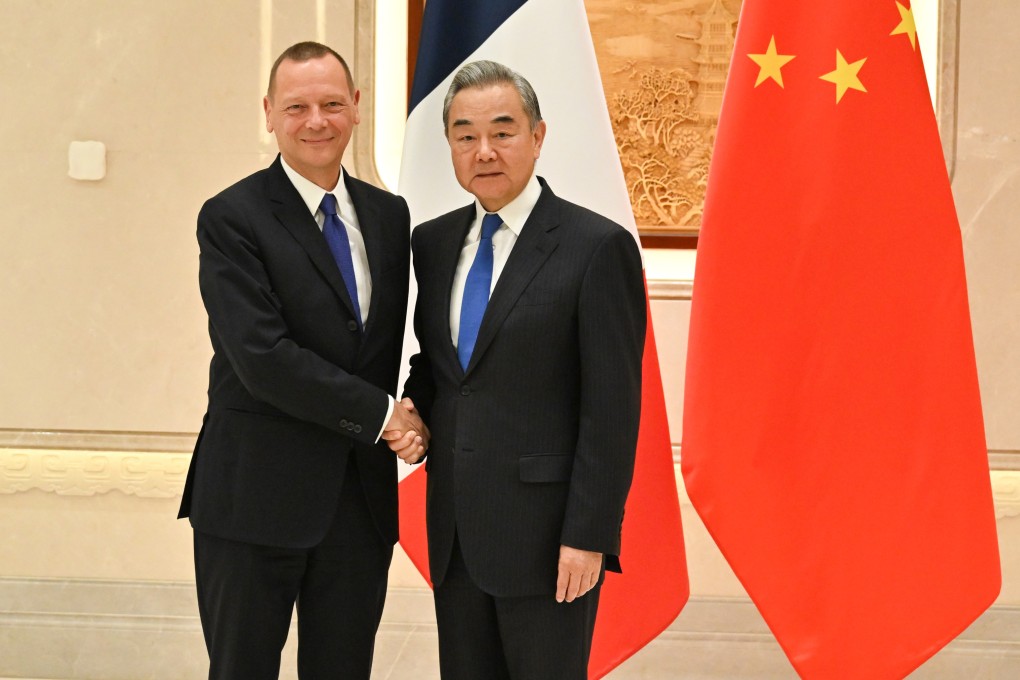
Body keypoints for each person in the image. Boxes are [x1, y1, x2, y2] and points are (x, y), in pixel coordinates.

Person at [388, 60, 645, 679]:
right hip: (455, 532)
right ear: (449, 144)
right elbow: (445, 363)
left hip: (549, 539)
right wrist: (413, 409)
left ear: (538, 136)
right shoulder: (435, 241)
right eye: (465, 134)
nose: (484, 151)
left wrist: (589, 534)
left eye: (503, 131)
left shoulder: (595, 246)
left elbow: (611, 408)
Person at [178, 41, 426, 679]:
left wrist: (419, 411)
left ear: (357, 109)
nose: (316, 120)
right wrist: (382, 416)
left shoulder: (390, 216)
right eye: (297, 107)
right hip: (253, 498)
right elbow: (262, 357)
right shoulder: (231, 218)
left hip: (358, 504)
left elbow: (395, 342)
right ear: (268, 113)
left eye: (331, 104)